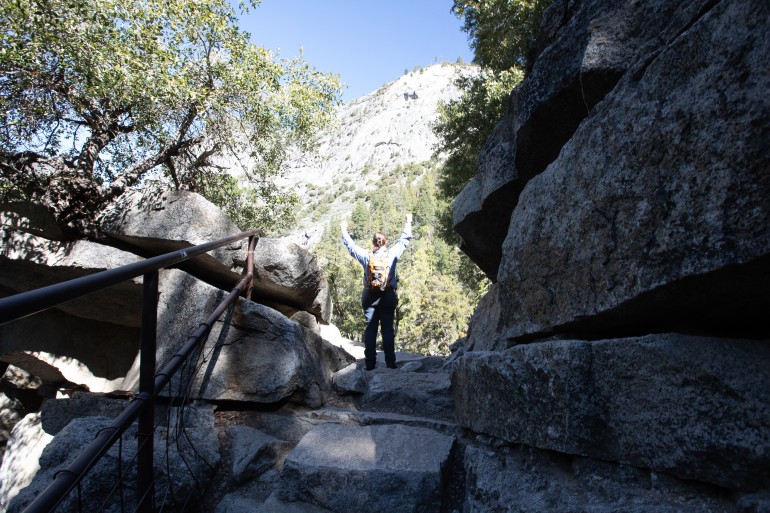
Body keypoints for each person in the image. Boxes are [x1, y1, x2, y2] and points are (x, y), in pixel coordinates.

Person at [341, 213, 412, 370]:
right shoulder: (392, 254)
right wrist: (408, 222)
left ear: (373, 243)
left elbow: (351, 247)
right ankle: (390, 363)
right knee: (387, 329)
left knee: (370, 330)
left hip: (369, 296)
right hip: (388, 296)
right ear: (385, 243)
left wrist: (344, 230)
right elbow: (404, 241)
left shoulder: (366, 256)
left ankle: (370, 364)